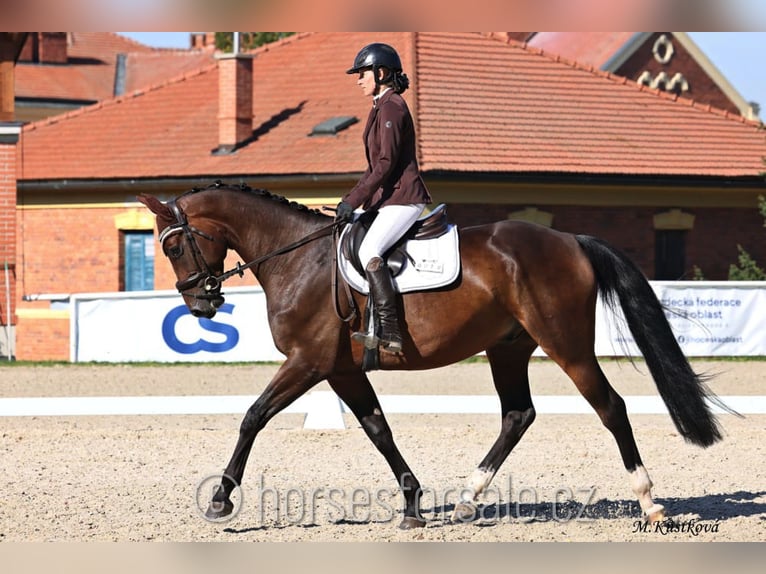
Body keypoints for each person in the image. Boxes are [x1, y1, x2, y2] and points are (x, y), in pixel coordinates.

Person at [336, 42, 432, 355]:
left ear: (381, 73)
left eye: (362, 73)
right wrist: (354, 199)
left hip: (404, 198)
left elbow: (386, 164)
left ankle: (389, 331)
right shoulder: (380, 106)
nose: (358, 79)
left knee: (370, 251)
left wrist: (354, 199)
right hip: (387, 199)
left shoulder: (392, 107)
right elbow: (375, 168)